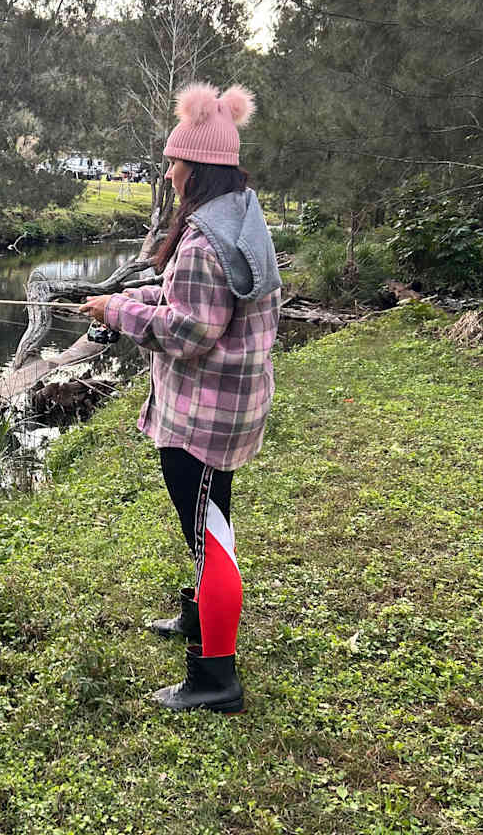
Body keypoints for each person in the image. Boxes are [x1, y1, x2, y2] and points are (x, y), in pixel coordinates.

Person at [79, 82, 280, 714]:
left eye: (174, 162)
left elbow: (190, 331)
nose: (168, 173)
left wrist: (116, 311)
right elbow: (196, 308)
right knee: (210, 524)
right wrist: (131, 303)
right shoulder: (240, 216)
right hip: (230, 408)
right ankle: (200, 620)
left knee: (209, 536)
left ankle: (215, 677)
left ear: (197, 168)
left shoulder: (200, 241)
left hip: (201, 415)